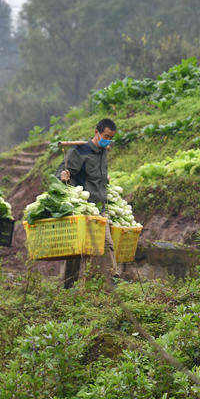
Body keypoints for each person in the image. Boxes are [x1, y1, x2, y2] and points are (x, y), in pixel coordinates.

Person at [58, 118, 119, 289]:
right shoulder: (81, 151)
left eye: (111, 137)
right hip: (84, 205)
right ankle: (68, 285)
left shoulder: (103, 151)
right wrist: (62, 176)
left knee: (103, 243)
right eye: (106, 136)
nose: (108, 140)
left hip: (100, 205)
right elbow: (63, 170)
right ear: (96, 133)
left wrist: (104, 178)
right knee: (81, 248)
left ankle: (109, 282)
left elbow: (96, 174)